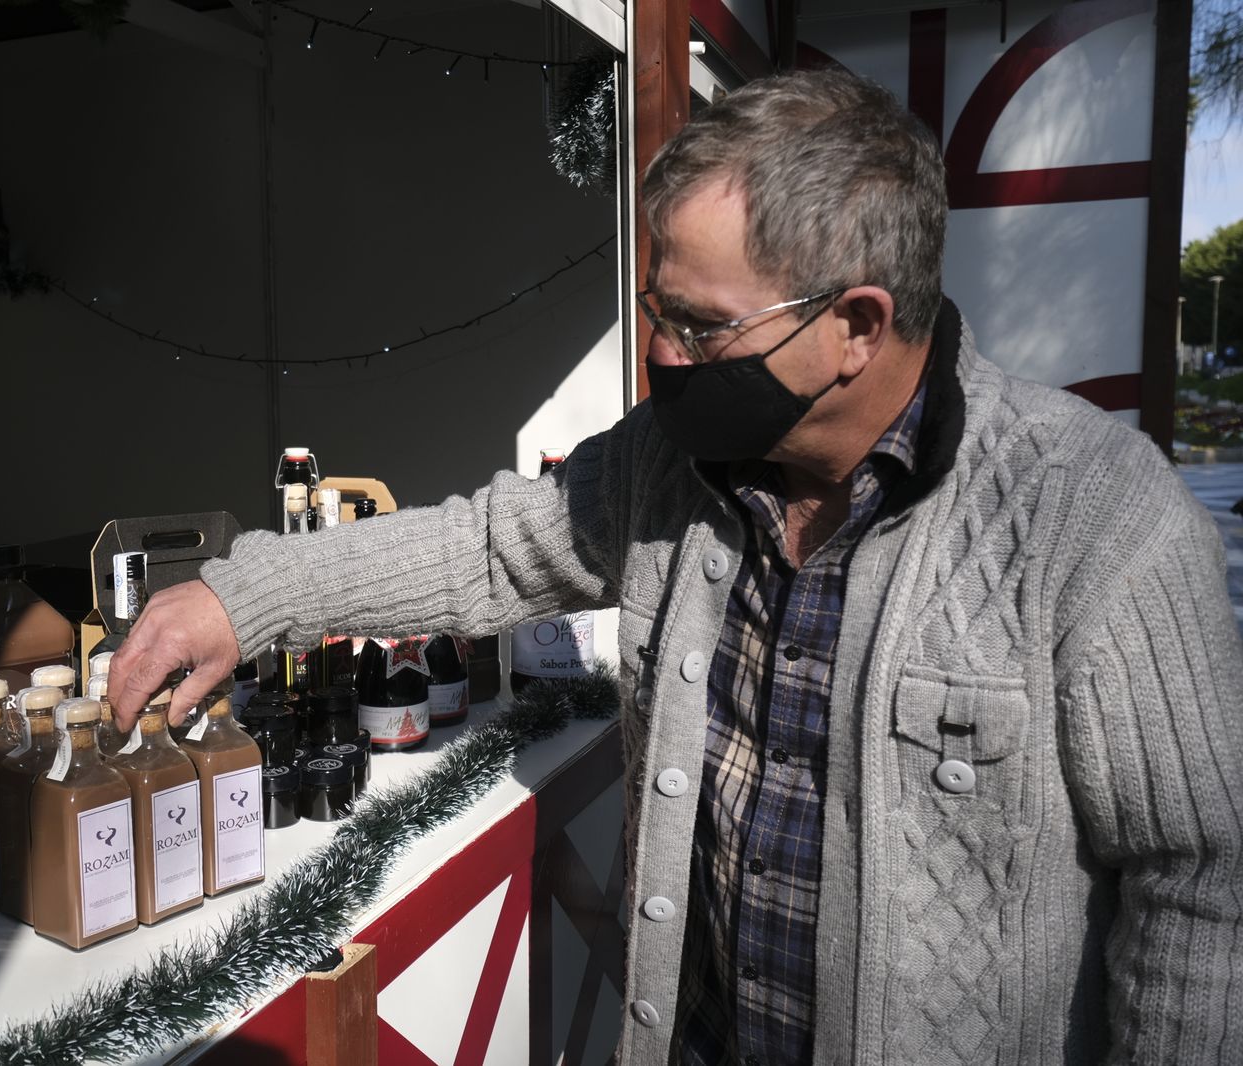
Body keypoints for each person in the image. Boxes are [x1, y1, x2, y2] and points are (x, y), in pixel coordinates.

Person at [110, 68, 1243, 1064]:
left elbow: (1203, 885)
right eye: (658, 308)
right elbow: (491, 544)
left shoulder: (1095, 520)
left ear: (857, 325)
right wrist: (245, 595)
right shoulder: (670, 464)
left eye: (701, 326)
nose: (660, 353)